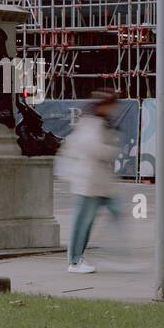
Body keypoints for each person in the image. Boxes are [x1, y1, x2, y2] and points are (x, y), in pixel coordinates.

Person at [59, 89, 122, 274]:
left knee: (91, 220)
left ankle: (79, 259)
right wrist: (111, 151)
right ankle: (75, 261)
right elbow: (92, 148)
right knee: (83, 222)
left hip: (97, 182)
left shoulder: (100, 122)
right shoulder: (91, 123)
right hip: (88, 181)